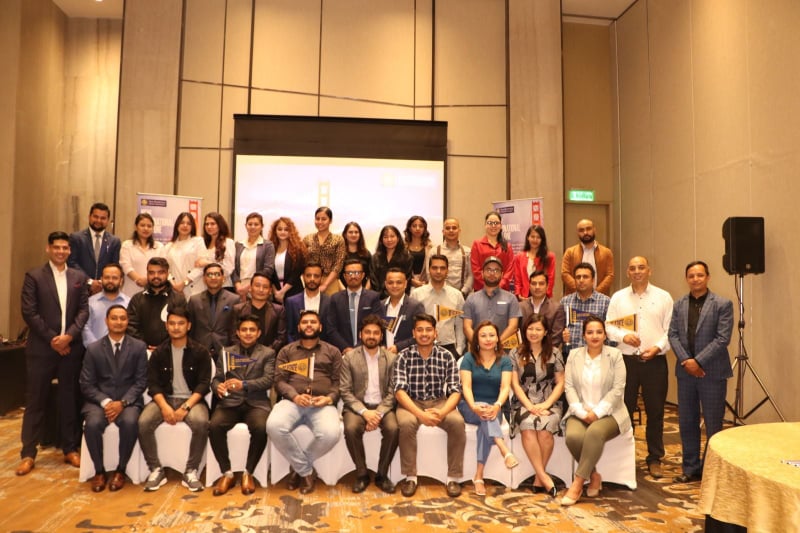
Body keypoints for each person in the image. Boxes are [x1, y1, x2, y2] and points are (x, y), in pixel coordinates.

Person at [16, 231, 89, 476]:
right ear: (48, 248)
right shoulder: (34, 276)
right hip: (42, 349)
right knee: (36, 400)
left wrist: (69, 336)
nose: (61, 251)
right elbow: (29, 312)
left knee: (69, 399)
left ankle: (70, 448)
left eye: (65, 247)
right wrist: (53, 339)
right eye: (56, 247)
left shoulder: (78, 277)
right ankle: (28, 453)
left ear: (69, 250)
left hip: (71, 348)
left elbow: (83, 311)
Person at [606, 256, 673, 479]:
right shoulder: (618, 298)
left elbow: (670, 330)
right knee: (624, 410)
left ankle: (654, 458)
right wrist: (623, 336)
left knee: (656, 411)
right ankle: (625, 458)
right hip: (626, 361)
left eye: (641, 267)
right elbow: (608, 327)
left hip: (655, 361)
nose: (637, 271)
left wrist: (657, 347)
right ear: (627, 272)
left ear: (649, 270)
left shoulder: (663, 297)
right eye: (633, 268)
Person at [668, 260, 733, 484]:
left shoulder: (722, 304)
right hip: (685, 372)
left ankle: (712, 471)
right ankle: (691, 468)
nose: (695, 279)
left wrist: (698, 362)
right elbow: (672, 335)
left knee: (714, 424)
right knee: (687, 421)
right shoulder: (679, 304)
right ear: (686, 279)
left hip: (712, 373)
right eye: (691, 276)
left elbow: (722, 338)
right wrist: (687, 361)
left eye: (700, 275)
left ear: (708, 277)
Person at [266, 310, 343, 495]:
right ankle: (306, 471)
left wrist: (329, 398)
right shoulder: (286, 351)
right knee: (274, 426)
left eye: (313, 322)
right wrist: (294, 396)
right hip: (292, 402)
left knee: (331, 433)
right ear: (299, 327)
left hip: (322, 403)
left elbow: (339, 382)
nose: (309, 325)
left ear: (320, 327)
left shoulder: (333, 351)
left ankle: (297, 469)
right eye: (305, 322)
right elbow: (279, 380)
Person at [139, 307, 211, 492]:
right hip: (165, 399)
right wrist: (164, 407)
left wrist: (185, 407)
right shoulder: (159, 352)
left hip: (192, 400)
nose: (176, 327)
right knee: (143, 422)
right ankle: (156, 469)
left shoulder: (200, 351)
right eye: (172, 323)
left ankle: (191, 471)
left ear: (189, 326)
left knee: (201, 422)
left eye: (180, 323)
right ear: (166, 326)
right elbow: (153, 384)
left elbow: (203, 384)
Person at [560, 316, 630, 506]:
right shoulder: (574, 355)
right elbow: (569, 387)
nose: (595, 336)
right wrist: (582, 412)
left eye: (599, 332)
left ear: (605, 335)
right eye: (590, 332)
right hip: (580, 410)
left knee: (594, 432)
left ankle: (577, 483)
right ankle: (593, 475)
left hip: (610, 413)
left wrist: (597, 413)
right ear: (583, 336)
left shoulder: (615, 355)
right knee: (572, 437)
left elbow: (618, 389)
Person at [394, 313, 465, 498]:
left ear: (435, 333)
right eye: (420, 330)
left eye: (428, 330)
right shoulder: (403, 356)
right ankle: (410, 477)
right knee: (406, 423)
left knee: (457, 423)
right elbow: (399, 392)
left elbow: (456, 391)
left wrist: (442, 412)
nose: (424, 334)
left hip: (439, 401)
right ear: (413, 333)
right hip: (411, 403)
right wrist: (421, 414)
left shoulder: (446, 356)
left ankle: (453, 478)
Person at [79, 305, 148, 492]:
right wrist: (106, 402)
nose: (119, 322)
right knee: (92, 424)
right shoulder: (93, 349)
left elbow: (141, 381)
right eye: (114, 318)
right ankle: (99, 471)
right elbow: (86, 383)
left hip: (128, 402)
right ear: (106, 321)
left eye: (123, 318)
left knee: (130, 422)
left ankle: (120, 470)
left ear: (128, 321)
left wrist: (123, 403)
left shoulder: (138, 347)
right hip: (99, 402)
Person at [208, 315, 276, 496]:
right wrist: (218, 387)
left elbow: (268, 380)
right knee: (214, 426)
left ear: (259, 333)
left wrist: (244, 385)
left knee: (261, 427)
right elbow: (216, 378)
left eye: (252, 330)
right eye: (244, 329)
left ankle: (248, 473)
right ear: (237, 333)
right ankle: (227, 473)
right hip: (230, 402)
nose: (248, 333)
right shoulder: (226, 352)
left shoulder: (268, 353)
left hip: (256, 403)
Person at [339, 315, 399, 494]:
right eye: (367, 332)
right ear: (361, 334)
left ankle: (381, 475)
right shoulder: (349, 358)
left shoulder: (391, 358)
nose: (371, 336)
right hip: (356, 406)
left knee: (393, 428)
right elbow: (345, 391)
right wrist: (365, 412)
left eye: (375, 333)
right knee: (350, 428)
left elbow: (393, 391)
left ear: (381, 336)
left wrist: (378, 413)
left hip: (383, 406)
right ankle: (362, 474)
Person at [457, 321, 517, 497]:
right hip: (469, 405)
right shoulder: (468, 358)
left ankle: (479, 476)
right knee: (486, 415)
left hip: (494, 407)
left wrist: (497, 405)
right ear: (477, 339)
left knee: (486, 421)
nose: (488, 339)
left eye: (492, 335)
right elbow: (466, 387)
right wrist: (474, 406)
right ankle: (503, 449)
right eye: (483, 335)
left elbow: (505, 388)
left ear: (498, 338)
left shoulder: (505, 360)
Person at [509, 313, 564, 497]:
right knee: (527, 426)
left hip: (550, 401)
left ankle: (538, 478)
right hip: (523, 402)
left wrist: (547, 404)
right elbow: (515, 384)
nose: (533, 332)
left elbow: (561, 383)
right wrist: (530, 406)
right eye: (530, 328)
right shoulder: (515, 353)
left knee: (545, 429)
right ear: (525, 331)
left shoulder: (554, 353)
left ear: (545, 332)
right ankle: (544, 477)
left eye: (538, 329)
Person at [410, 254, 466, 358]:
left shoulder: (457, 295)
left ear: (447, 271)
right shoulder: (416, 294)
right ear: (429, 270)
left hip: (449, 347)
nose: (438, 271)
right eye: (434, 268)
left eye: (442, 268)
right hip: (422, 346)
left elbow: (460, 324)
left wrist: (459, 350)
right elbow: (412, 324)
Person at [126, 257, 188, 350]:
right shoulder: (137, 299)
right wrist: (145, 347)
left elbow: (182, 327)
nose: (156, 276)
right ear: (147, 274)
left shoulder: (178, 299)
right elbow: (131, 327)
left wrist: (164, 348)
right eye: (151, 273)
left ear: (167, 274)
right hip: (142, 352)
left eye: (160, 272)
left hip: (170, 351)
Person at [327, 258, 383, 353]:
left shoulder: (373, 298)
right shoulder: (335, 299)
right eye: (349, 273)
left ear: (363, 275)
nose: (353, 276)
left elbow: (377, 325)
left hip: (367, 350)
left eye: (357, 273)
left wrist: (358, 348)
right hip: (342, 351)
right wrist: (345, 348)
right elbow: (331, 328)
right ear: (344, 276)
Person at [463, 256, 521, 346]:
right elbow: (466, 327)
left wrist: (496, 344)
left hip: (503, 350)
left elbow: (513, 327)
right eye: (488, 270)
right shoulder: (471, 299)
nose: (492, 273)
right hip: (478, 351)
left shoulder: (511, 298)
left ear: (502, 274)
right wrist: (479, 345)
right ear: (482, 273)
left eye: (496, 270)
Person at [187, 263, 239, 359]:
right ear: (204, 279)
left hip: (225, 350)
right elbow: (190, 329)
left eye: (217, 274)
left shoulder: (234, 300)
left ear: (223, 278)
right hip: (200, 350)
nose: (213, 277)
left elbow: (235, 329)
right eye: (209, 274)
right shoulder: (194, 300)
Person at [68, 202, 122, 296]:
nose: (98, 220)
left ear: (108, 220)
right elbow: (72, 263)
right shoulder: (76, 238)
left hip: (104, 290)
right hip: (79, 289)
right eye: (95, 217)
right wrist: (90, 282)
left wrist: (101, 283)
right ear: (89, 217)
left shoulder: (114, 241)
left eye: (103, 218)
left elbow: (115, 266)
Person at [560, 263, 610, 357]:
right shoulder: (565, 302)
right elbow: (559, 328)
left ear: (593, 280)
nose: (581, 280)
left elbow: (610, 331)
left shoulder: (605, 302)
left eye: (585, 277)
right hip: (571, 355)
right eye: (578, 277)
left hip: (597, 356)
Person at [234, 272, 287, 353]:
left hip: (270, 355)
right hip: (243, 355)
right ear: (250, 288)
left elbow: (281, 338)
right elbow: (233, 336)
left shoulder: (279, 310)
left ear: (270, 291)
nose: (261, 290)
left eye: (265, 287)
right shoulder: (238, 309)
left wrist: (265, 354)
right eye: (257, 286)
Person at [561, 219, 614, 296]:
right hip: (575, 297)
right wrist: (580, 290)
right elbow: (565, 274)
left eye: (588, 229)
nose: (585, 232)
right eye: (581, 230)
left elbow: (610, 275)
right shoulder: (570, 252)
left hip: (600, 298)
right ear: (577, 233)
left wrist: (595, 294)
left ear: (594, 230)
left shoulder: (606, 252)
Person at [82, 263, 130, 347]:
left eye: (114, 278)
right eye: (107, 277)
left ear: (121, 281)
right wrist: (97, 348)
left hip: (123, 351)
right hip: (95, 351)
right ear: (101, 279)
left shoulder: (129, 303)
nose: (110, 281)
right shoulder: (90, 302)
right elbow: (85, 327)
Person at [119, 213, 164, 299]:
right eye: (142, 225)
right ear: (136, 227)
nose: (146, 228)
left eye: (149, 226)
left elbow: (162, 268)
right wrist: (139, 279)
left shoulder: (159, 246)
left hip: (153, 290)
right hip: (131, 291)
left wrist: (148, 280)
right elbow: (126, 266)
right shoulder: (127, 245)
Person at [232, 212, 276, 302]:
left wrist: (250, 286)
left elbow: (268, 269)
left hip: (259, 287)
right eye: (250, 224)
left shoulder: (268, 245)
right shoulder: (238, 245)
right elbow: (233, 267)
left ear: (262, 226)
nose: (252, 227)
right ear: (245, 226)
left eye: (256, 224)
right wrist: (238, 286)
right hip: (239, 288)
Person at [302, 207, 346, 295]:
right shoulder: (307, 239)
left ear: (330, 221)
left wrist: (325, 284)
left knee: (330, 303)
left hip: (330, 280)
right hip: (311, 279)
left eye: (324, 219)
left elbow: (338, 264)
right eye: (317, 219)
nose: (320, 222)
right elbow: (302, 261)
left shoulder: (338, 239)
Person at [284, 262, 332, 343]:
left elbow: (331, 331)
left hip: (324, 348)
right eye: (308, 275)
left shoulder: (330, 302)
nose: (312, 279)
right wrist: (294, 348)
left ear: (321, 278)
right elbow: (289, 332)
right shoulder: (291, 302)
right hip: (297, 348)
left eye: (316, 276)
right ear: (303, 277)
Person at [381, 268, 425, 353]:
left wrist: (398, 347)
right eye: (390, 283)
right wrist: (381, 346)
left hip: (408, 356)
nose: (394, 286)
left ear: (405, 284)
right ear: (386, 284)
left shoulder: (415, 306)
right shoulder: (380, 306)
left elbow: (421, 333)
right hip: (385, 356)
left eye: (399, 282)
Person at [164, 212, 207, 298]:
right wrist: (174, 285)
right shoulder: (169, 246)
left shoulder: (198, 241)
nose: (185, 225)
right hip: (175, 289)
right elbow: (165, 269)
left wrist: (184, 283)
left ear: (192, 227)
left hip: (195, 288)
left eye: (188, 223)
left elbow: (201, 267)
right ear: (177, 225)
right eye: (182, 223)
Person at [519, 270, 565, 349]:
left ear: (547, 286)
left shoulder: (556, 308)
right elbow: (518, 333)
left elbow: (556, 337)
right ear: (529, 286)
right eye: (534, 283)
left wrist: (541, 352)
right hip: (523, 351)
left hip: (547, 352)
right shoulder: (520, 306)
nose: (537, 287)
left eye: (541, 283)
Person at [470, 211, 514, 292]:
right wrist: (488, 286)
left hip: (502, 290)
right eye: (490, 223)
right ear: (485, 225)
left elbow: (509, 269)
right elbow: (476, 269)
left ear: (501, 226)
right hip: (481, 290)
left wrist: (500, 285)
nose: (493, 226)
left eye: (496, 223)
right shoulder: (477, 244)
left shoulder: (507, 246)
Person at [430, 217, 473, 297]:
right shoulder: (434, 251)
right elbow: (429, 274)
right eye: (447, 228)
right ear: (443, 232)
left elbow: (471, 275)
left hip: (462, 295)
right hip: (439, 294)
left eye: (454, 228)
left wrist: (463, 292)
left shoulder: (467, 252)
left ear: (459, 231)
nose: (451, 230)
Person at [268, 216, 307, 303]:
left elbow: (296, 273)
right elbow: (270, 273)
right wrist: (276, 292)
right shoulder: (271, 249)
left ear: (291, 231)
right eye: (279, 229)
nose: (283, 232)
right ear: (275, 231)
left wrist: (283, 292)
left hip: (294, 291)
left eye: (286, 229)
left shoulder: (297, 249)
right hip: (276, 293)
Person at [512, 225, 556, 299]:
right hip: (524, 297)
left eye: (538, 237)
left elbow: (551, 279)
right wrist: (518, 294)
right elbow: (517, 279)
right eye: (532, 237)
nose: (535, 240)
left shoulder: (549, 257)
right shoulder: (519, 257)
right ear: (528, 237)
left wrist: (546, 295)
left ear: (542, 239)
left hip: (543, 296)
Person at [370, 225, 413, 298]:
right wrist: (381, 296)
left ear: (398, 238)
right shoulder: (375, 258)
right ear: (381, 240)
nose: (389, 240)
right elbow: (373, 280)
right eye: (385, 237)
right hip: (379, 298)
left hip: (400, 297)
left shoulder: (407, 258)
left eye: (392, 236)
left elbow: (407, 280)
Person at [200, 212, 236, 289]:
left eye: (213, 224)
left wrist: (207, 263)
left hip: (223, 286)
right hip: (206, 287)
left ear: (220, 225)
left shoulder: (228, 242)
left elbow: (229, 268)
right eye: (207, 224)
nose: (209, 227)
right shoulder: (203, 243)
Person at [340, 221, 372, 290]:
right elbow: (337, 277)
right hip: (343, 291)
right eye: (350, 232)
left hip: (363, 291)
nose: (353, 235)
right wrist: (345, 292)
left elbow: (371, 275)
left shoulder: (366, 254)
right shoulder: (340, 254)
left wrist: (365, 292)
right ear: (345, 234)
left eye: (356, 232)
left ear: (360, 235)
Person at [404, 215, 431, 289]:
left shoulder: (431, 247)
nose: (417, 228)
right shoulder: (403, 247)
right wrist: (411, 281)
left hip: (426, 285)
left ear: (424, 229)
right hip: (407, 285)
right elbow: (400, 268)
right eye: (414, 226)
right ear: (409, 228)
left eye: (421, 226)